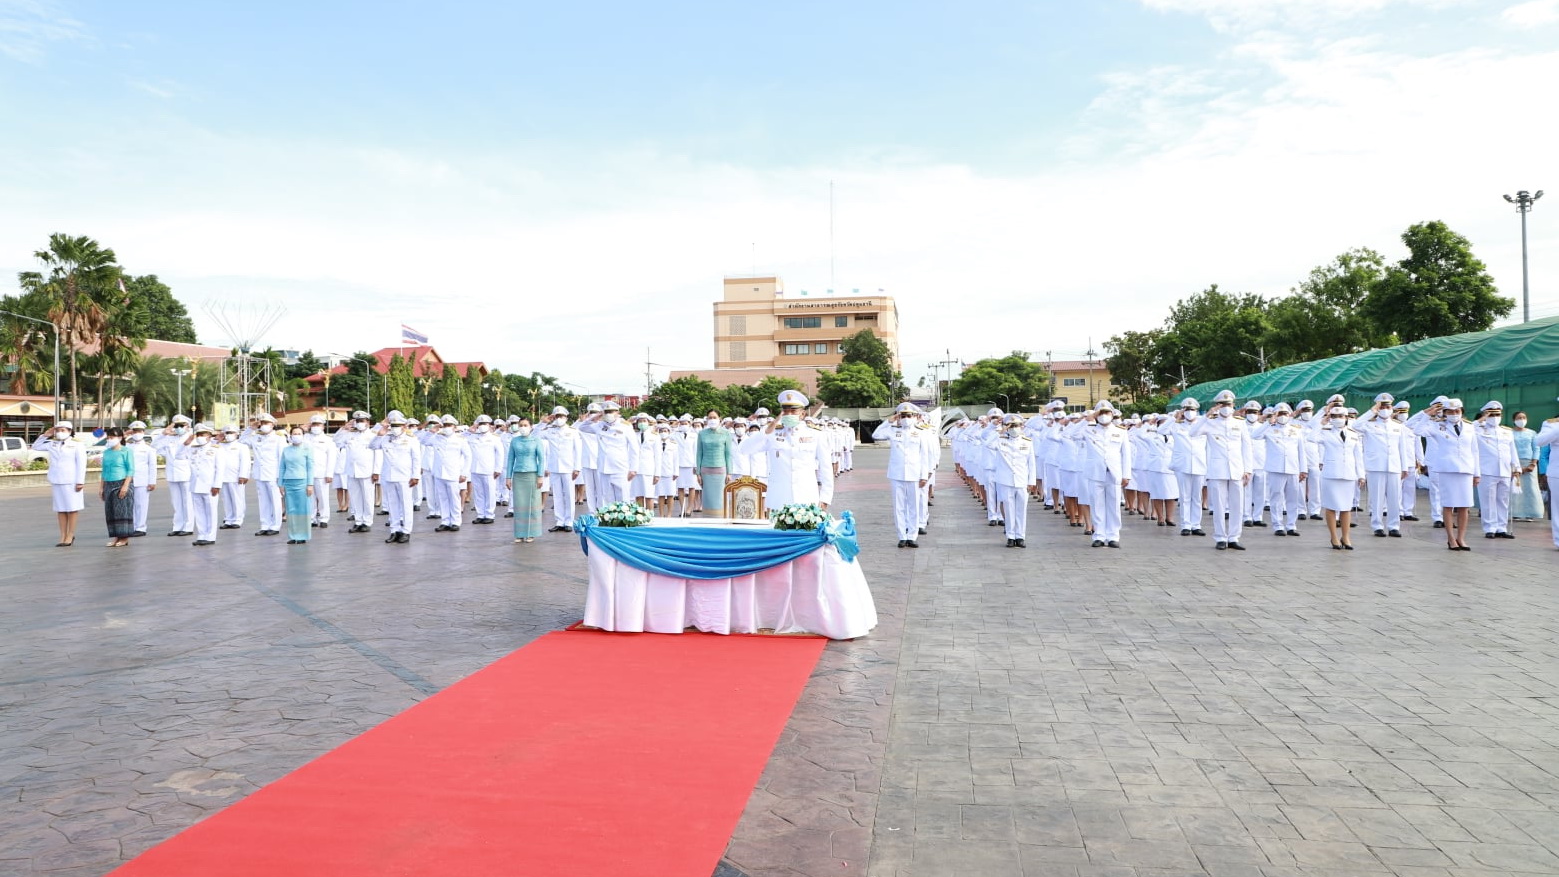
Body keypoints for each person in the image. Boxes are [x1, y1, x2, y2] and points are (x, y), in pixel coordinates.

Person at [1409, 398, 1480, 550]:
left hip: (1466, 470)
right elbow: (1417, 431)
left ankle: (1461, 537)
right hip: (1447, 470)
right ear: (1445, 413)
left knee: (1464, 506)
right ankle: (1450, 538)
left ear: (1462, 412)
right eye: (1451, 412)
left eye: (1457, 411)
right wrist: (1428, 414)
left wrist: (1477, 473)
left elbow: (1475, 451)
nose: (1454, 414)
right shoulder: (1437, 426)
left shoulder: (1469, 427)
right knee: (1448, 505)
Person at [1191, 389, 1254, 550]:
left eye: (1229, 404)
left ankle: (1234, 537)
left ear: (1233, 405)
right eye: (1223, 404)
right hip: (1217, 470)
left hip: (1237, 469)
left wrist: (1248, 469)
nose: (1227, 407)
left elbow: (1247, 447)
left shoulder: (1239, 423)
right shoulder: (1210, 422)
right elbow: (1193, 433)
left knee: (1237, 505)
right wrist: (1206, 416)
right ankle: (1220, 537)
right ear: (1218, 406)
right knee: (1218, 506)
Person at [754, 390, 834, 509]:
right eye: (785, 411)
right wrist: (766, 430)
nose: (789, 414)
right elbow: (744, 449)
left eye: (793, 411)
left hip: (807, 497)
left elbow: (826, 467)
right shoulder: (772, 433)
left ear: (802, 414)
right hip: (779, 499)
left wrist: (825, 498)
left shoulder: (816, 434)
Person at [1074, 402, 1132, 548]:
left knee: (1113, 505)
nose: (1104, 415)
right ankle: (1099, 535)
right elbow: (1071, 434)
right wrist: (1087, 419)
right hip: (1095, 472)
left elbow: (1126, 454)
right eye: (1100, 413)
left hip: (1114, 473)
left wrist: (1126, 474)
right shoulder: (1089, 429)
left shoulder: (1121, 431)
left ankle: (1113, 536)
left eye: (1107, 412)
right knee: (1097, 505)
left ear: (1112, 414)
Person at [874, 402, 932, 547]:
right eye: (903, 415)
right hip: (896, 474)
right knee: (898, 507)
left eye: (909, 415)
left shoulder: (921, 432)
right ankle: (902, 536)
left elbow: (924, 456)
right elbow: (876, 435)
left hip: (914, 474)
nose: (906, 418)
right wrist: (889, 421)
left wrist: (924, 476)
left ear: (914, 416)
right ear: (899, 416)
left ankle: (912, 536)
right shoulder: (892, 430)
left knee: (914, 506)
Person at [1357, 393, 1410, 538]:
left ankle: (1394, 526)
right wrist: (1372, 411)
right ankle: (1377, 525)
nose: (1385, 409)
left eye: (1388, 406)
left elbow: (1402, 448)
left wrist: (1404, 467)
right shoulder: (1369, 424)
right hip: (1376, 466)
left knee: (1394, 498)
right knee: (1377, 498)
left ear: (1392, 408)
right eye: (1382, 406)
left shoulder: (1398, 426)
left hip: (1394, 466)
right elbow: (1355, 425)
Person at [1252, 403, 1306, 536]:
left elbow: (1301, 451)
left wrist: (1303, 469)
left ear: (1289, 415)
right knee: (1276, 498)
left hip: (1293, 468)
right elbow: (1255, 435)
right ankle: (1278, 525)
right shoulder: (1269, 429)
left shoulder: (1296, 430)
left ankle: (1291, 525)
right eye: (1279, 414)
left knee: (1293, 498)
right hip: (1276, 468)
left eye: (1285, 414)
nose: (1282, 416)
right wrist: (1269, 421)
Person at [1315, 406, 1365, 549]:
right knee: (1331, 507)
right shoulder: (1325, 432)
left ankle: (1346, 536)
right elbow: (1311, 438)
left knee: (1346, 508)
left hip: (1348, 474)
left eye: (1340, 416)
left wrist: (1361, 475)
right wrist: (1322, 423)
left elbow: (1358, 456)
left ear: (1346, 417)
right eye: (1334, 417)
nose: (1337, 419)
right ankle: (1334, 537)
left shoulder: (1353, 433)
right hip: (1331, 473)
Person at [33, 421, 87, 547]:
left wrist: (80, 481)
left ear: (69, 431)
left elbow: (81, 464)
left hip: (71, 481)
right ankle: (62, 535)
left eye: (63, 430)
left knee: (72, 509)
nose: (59, 432)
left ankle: (70, 534)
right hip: (57, 480)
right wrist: (45, 435)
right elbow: (35, 446)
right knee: (60, 509)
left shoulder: (76, 445)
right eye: (58, 430)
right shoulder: (52, 444)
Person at [371, 411, 423, 543]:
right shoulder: (385, 437)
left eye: (398, 425)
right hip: (389, 476)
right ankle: (394, 530)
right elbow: (372, 446)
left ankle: (406, 531)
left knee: (406, 505)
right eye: (392, 425)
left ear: (404, 426)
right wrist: (380, 431)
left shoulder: (411, 439)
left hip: (405, 476)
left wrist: (415, 476)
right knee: (392, 505)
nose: (395, 427)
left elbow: (416, 458)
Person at [1473, 401, 1520, 539]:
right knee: (1488, 501)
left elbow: (1512, 450)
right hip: (1487, 470)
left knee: (1503, 500)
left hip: (1505, 470)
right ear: (1485, 414)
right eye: (1491, 414)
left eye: (1497, 414)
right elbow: (1468, 428)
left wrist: (1516, 468)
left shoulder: (1506, 431)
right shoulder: (1478, 429)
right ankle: (1490, 527)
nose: (1495, 417)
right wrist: (1481, 419)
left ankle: (1501, 527)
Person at [990, 412, 1034, 548]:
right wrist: (1001, 430)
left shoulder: (1027, 442)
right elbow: (988, 444)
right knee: (1009, 510)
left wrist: (1031, 481)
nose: (1014, 428)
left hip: (1022, 480)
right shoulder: (1000, 440)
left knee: (1021, 509)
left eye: (1017, 425)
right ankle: (1010, 536)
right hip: (1005, 480)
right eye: (1011, 425)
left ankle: (1020, 536)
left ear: (1022, 426)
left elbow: (1031, 463)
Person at [244, 412, 287, 537]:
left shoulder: (279, 439)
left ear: (273, 425)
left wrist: (281, 477)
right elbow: (241, 441)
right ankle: (265, 525)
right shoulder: (256, 437)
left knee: (275, 500)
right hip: (259, 473)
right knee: (263, 500)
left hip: (273, 474)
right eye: (262, 423)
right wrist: (251, 428)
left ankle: (275, 525)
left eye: (266, 423)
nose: (263, 425)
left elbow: (282, 459)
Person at [504, 417, 546, 543]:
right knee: (519, 505)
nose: (522, 427)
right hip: (518, 475)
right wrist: (508, 477)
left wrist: (540, 476)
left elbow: (541, 459)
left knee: (532, 504)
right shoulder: (514, 441)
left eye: (525, 425)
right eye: (520, 425)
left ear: (531, 426)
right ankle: (520, 533)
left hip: (532, 475)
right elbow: (510, 459)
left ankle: (531, 532)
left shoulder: (536, 440)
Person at [180, 423, 222, 546]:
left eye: (202, 434)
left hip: (209, 486)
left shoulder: (216, 450)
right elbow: (178, 456)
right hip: (195, 485)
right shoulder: (193, 448)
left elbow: (219, 469)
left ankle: (210, 536)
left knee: (211, 511)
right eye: (198, 434)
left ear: (209, 436)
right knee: (199, 512)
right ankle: (202, 535)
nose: (199, 437)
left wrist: (217, 485)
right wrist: (186, 443)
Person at [154, 415, 195, 536]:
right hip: (172, 473)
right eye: (176, 426)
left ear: (187, 426)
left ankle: (188, 527)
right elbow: (154, 447)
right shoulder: (170, 438)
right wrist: (163, 434)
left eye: (181, 425)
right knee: (176, 501)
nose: (178, 428)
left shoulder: (191, 438)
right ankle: (177, 526)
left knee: (187, 501)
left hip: (186, 473)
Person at [98, 427, 135, 548]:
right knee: (111, 512)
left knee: (122, 511)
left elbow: (131, 469)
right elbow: (104, 470)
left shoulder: (126, 451)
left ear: (120, 438)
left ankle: (124, 537)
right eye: (108, 437)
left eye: (112, 437)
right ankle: (116, 537)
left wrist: (125, 485)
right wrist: (101, 487)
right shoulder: (107, 452)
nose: (110, 440)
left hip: (121, 482)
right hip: (109, 483)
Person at [279, 425, 315, 544]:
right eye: (294, 433)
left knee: (303, 510)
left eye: (299, 434)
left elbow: (310, 468)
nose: (296, 436)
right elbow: (282, 467)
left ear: (303, 436)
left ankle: (302, 535)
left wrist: (310, 484)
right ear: (290, 436)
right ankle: (293, 535)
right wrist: (281, 483)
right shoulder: (286, 450)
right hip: (289, 482)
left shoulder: (307, 449)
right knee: (291, 510)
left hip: (302, 482)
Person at [696, 409, 734, 516]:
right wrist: (698, 473)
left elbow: (728, 454)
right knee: (707, 497)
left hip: (721, 470)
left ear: (720, 419)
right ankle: (707, 519)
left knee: (720, 497)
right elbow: (699, 453)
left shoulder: (726, 433)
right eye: (710, 417)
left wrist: (729, 472)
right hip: (705, 471)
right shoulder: (702, 434)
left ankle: (721, 518)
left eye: (714, 417)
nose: (712, 419)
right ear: (707, 419)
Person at [304, 414, 338, 529]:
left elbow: (331, 458)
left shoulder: (328, 440)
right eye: (313, 424)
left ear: (323, 426)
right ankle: (311, 518)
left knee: (323, 497)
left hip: (321, 473)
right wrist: (303, 429)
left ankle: (324, 518)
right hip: (307, 473)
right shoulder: (305, 438)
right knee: (309, 497)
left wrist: (329, 474)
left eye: (318, 424)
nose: (315, 427)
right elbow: (291, 441)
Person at [125, 421, 157, 537]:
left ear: (143, 432)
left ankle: (141, 527)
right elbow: (110, 447)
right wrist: (124, 434)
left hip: (142, 480)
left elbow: (152, 466)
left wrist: (152, 481)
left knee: (141, 504)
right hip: (128, 480)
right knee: (130, 505)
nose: (137, 433)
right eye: (134, 431)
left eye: (139, 431)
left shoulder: (148, 448)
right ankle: (132, 526)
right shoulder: (127, 446)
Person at [215, 426, 251, 530]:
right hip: (223, 476)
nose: (229, 435)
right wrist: (217, 439)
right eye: (227, 433)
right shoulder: (220, 445)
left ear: (236, 434)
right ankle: (228, 519)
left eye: (231, 432)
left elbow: (245, 462)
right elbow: (211, 448)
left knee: (237, 499)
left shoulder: (241, 446)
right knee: (226, 499)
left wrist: (243, 475)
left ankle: (238, 519)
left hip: (236, 476)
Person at [1511, 410, 1543, 522]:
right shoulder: (1509, 432)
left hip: (1529, 463)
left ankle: (1531, 512)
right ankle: (1515, 512)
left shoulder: (1532, 433)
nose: (1522, 420)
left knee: (1531, 488)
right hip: (1515, 462)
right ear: (1514, 420)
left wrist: (1533, 463)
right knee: (1516, 487)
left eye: (1523, 417)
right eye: (1519, 418)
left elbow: (1537, 448)